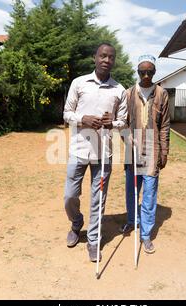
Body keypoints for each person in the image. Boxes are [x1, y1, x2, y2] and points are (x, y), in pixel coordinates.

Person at [63, 43, 127, 262]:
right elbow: (66, 113)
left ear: (114, 61)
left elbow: (123, 122)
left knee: (98, 199)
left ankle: (93, 240)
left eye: (111, 57)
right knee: (70, 196)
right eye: (103, 56)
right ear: (95, 58)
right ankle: (76, 223)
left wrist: (113, 123)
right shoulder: (79, 83)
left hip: (104, 155)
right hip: (78, 150)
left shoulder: (119, 89)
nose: (106, 60)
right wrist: (83, 119)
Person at [120, 54, 170, 254]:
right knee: (132, 190)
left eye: (150, 71)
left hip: (152, 149)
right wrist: (126, 137)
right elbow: (122, 121)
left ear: (155, 72)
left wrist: (164, 152)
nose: (146, 75)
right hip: (132, 150)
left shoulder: (162, 94)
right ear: (138, 72)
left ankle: (146, 235)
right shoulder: (128, 93)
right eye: (143, 72)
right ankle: (132, 221)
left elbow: (165, 125)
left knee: (149, 193)